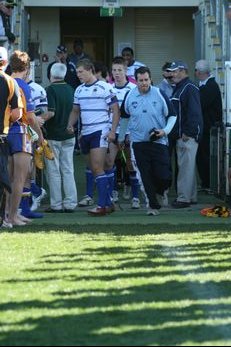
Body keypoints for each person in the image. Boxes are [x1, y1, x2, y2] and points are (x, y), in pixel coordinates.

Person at [67, 58, 120, 216]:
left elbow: (116, 110)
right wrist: (70, 124)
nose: (78, 75)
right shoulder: (79, 90)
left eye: (81, 72)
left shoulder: (104, 87)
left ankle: (102, 205)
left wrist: (112, 131)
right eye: (77, 73)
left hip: (100, 130)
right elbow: (75, 111)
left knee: (98, 167)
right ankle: (109, 203)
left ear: (90, 70)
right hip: (85, 133)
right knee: (93, 168)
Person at [124, 66, 177, 216]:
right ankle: (152, 206)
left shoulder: (159, 93)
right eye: (140, 80)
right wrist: (122, 136)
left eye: (146, 80)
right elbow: (124, 117)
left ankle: (161, 192)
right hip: (138, 142)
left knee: (164, 175)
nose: (144, 83)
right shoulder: (130, 95)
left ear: (150, 79)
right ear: (136, 81)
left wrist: (164, 131)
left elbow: (172, 115)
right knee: (145, 175)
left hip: (158, 141)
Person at [7, 50, 44, 226]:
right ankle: (13, 215)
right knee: (20, 178)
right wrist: (41, 137)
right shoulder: (23, 85)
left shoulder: (5, 81)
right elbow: (29, 117)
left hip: (5, 132)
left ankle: (7, 214)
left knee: (8, 177)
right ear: (27, 67)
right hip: (20, 132)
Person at [167, 60, 203, 208]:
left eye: (175, 71)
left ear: (183, 71)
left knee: (185, 168)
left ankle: (183, 198)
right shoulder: (181, 87)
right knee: (188, 168)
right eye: (172, 71)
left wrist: (188, 133)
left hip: (187, 136)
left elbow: (194, 113)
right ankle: (191, 196)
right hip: (182, 135)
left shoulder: (189, 87)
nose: (172, 74)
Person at [44, 63, 78, 213]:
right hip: (69, 135)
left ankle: (56, 204)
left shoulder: (50, 90)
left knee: (53, 171)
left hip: (53, 136)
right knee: (68, 169)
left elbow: (50, 113)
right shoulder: (72, 89)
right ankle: (70, 203)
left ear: (51, 74)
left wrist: (38, 119)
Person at [0, 46, 22, 228]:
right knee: (2, 178)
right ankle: (2, 218)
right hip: (1, 136)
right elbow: (17, 114)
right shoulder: (10, 82)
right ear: (5, 63)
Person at [195, 59, 222, 191]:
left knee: (205, 156)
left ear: (200, 72)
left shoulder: (210, 86)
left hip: (208, 128)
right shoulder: (205, 85)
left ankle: (208, 183)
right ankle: (206, 182)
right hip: (205, 128)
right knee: (202, 156)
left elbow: (200, 103)